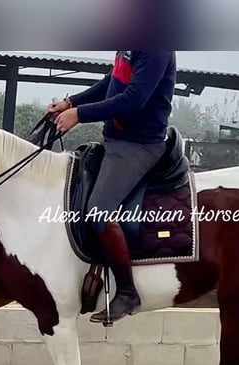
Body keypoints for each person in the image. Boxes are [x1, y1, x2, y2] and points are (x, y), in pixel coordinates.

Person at [48, 51, 177, 323]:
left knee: (98, 211)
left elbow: (134, 99)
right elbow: (113, 82)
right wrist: (70, 102)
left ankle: (128, 292)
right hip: (115, 140)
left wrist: (79, 114)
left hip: (140, 145)